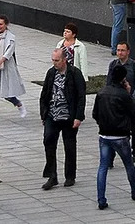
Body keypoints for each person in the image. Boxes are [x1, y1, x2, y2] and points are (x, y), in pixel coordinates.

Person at [92, 64, 135, 210]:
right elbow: (134, 112)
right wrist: (129, 93)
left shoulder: (101, 93)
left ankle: (101, 199)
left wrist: (102, 124)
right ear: (123, 79)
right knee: (129, 165)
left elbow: (95, 114)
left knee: (103, 167)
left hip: (104, 135)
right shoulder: (123, 95)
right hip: (120, 136)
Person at [39, 47, 86, 190]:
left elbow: (81, 97)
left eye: (57, 60)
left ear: (64, 59)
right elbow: (45, 94)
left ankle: (70, 176)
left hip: (69, 117)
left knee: (69, 146)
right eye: (53, 60)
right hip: (52, 116)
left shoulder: (75, 73)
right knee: (48, 141)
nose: (54, 63)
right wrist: (44, 114)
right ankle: (52, 176)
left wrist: (78, 117)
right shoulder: (51, 73)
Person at [107, 41, 135, 162]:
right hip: (117, 102)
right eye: (118, 50)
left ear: (128, 52)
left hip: (131, 102)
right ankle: (112, 154)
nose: (120, 53)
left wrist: (133, 100)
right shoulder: (113, 64)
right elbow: (109, 82)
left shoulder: (134, 66)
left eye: (122, 50)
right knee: (115, 127)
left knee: (134, 126)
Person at [0, 15, 27, 123]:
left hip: (5, 69)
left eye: (1, 24)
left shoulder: (11, 37)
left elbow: (8, 53)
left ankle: (18, 104)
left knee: (6, 94)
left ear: (6, 25)